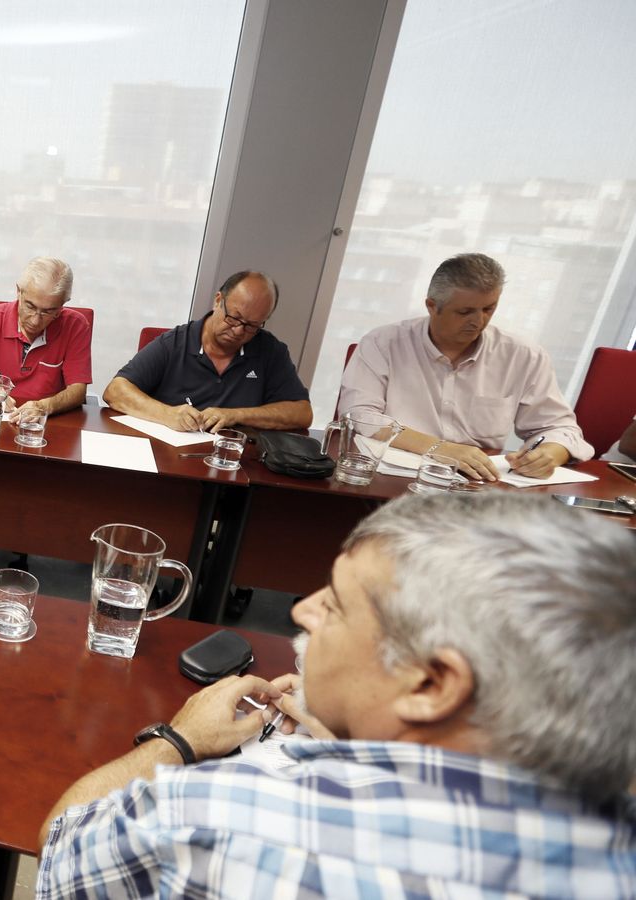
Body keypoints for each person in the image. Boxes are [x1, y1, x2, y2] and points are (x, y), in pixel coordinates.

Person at [36, 491, 636, 898]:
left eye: (338, 603)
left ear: (431, 684)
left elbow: (62, 848)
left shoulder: (224, 819)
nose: (302, 610)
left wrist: (180, 739)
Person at [339, 252, 594, 481]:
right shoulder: (383, 343)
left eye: (488, 309)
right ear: (431, 306)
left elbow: (559, 427)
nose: (478, 321)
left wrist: (550, 453)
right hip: (393, 476)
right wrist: (441, 449)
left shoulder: (523, 355)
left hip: (476, 484)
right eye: (465, 312)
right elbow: (359, 416)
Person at [104, 271, 312, 432]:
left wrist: (237, 415)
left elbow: (302, 413)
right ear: (218, 300)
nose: (239, 330)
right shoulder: (176, 342)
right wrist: (167, 414)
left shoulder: (270, 350)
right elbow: (115, 391)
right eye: (234, 318)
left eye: (252, 325)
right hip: (171, 460)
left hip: (234, 464)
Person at [0, 257, 91, 418]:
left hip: (43, 425)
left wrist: (45, 406)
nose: (35, 320)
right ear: (18, 291)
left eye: (48, 311)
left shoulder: (76, 326)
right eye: (30, 306)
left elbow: (78, 391)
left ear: (63, 304)